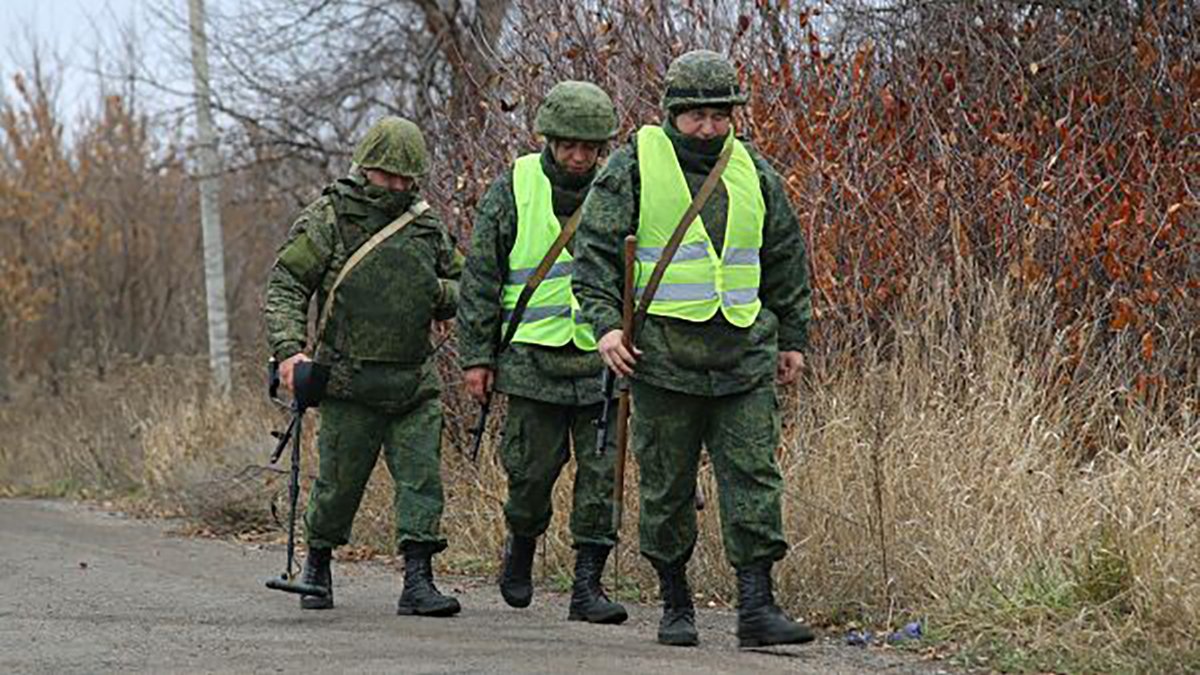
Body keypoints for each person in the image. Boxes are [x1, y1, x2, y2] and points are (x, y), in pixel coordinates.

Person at [572, 50, 815, 648]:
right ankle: (675, 605)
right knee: (666, 485)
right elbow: (595, 256)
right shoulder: (631, 166)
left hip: (743, 357)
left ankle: (757, 609)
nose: (707, 127)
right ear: (670, 113)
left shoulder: (754, 170)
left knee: (755, 479)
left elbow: (783, 256)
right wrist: (605, 328)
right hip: (662, 361)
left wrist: (792, 339)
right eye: (695, 116)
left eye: (719, 114)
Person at [264, 116, 463, 617]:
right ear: (365, 168)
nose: (396, 187)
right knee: (336, 485)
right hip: (348, 382)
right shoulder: (329, 217)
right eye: (386, 176)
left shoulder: (424, 224)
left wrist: (436, 293)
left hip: (413, 383)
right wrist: (291, 352)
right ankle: (317, 569)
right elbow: (287, 282)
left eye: (405, 178)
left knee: (423, 482)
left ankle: (418, 580)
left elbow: (466, 285)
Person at [455, 80, 628, 625]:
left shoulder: (622, 188)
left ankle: (587, 587)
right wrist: (477, 358)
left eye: (590, 147)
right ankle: (521, 548)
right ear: (548, 141)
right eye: (568, 145)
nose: (578, 156)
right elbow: (481, 277)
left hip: (603, 363)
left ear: (603, 147)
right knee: (529, 477)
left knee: (602, 478)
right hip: (531, 363)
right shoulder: (515, 186)